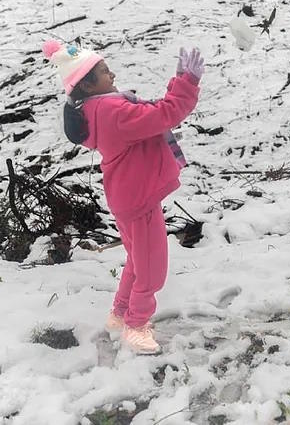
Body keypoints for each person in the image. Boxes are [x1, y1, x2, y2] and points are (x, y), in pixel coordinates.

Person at [42, 40, 204, 354]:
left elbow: (148, 116)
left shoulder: (94, 109)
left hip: (127, 195)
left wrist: (178, 82)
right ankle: (136, 326)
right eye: (104, 71)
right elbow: (165, 113)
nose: (112, 74)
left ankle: (120, 314)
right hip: (138, 199)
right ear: (87, 84)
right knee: (152, 267)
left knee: (137, 260)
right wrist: (187, 83)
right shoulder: (111, 111)